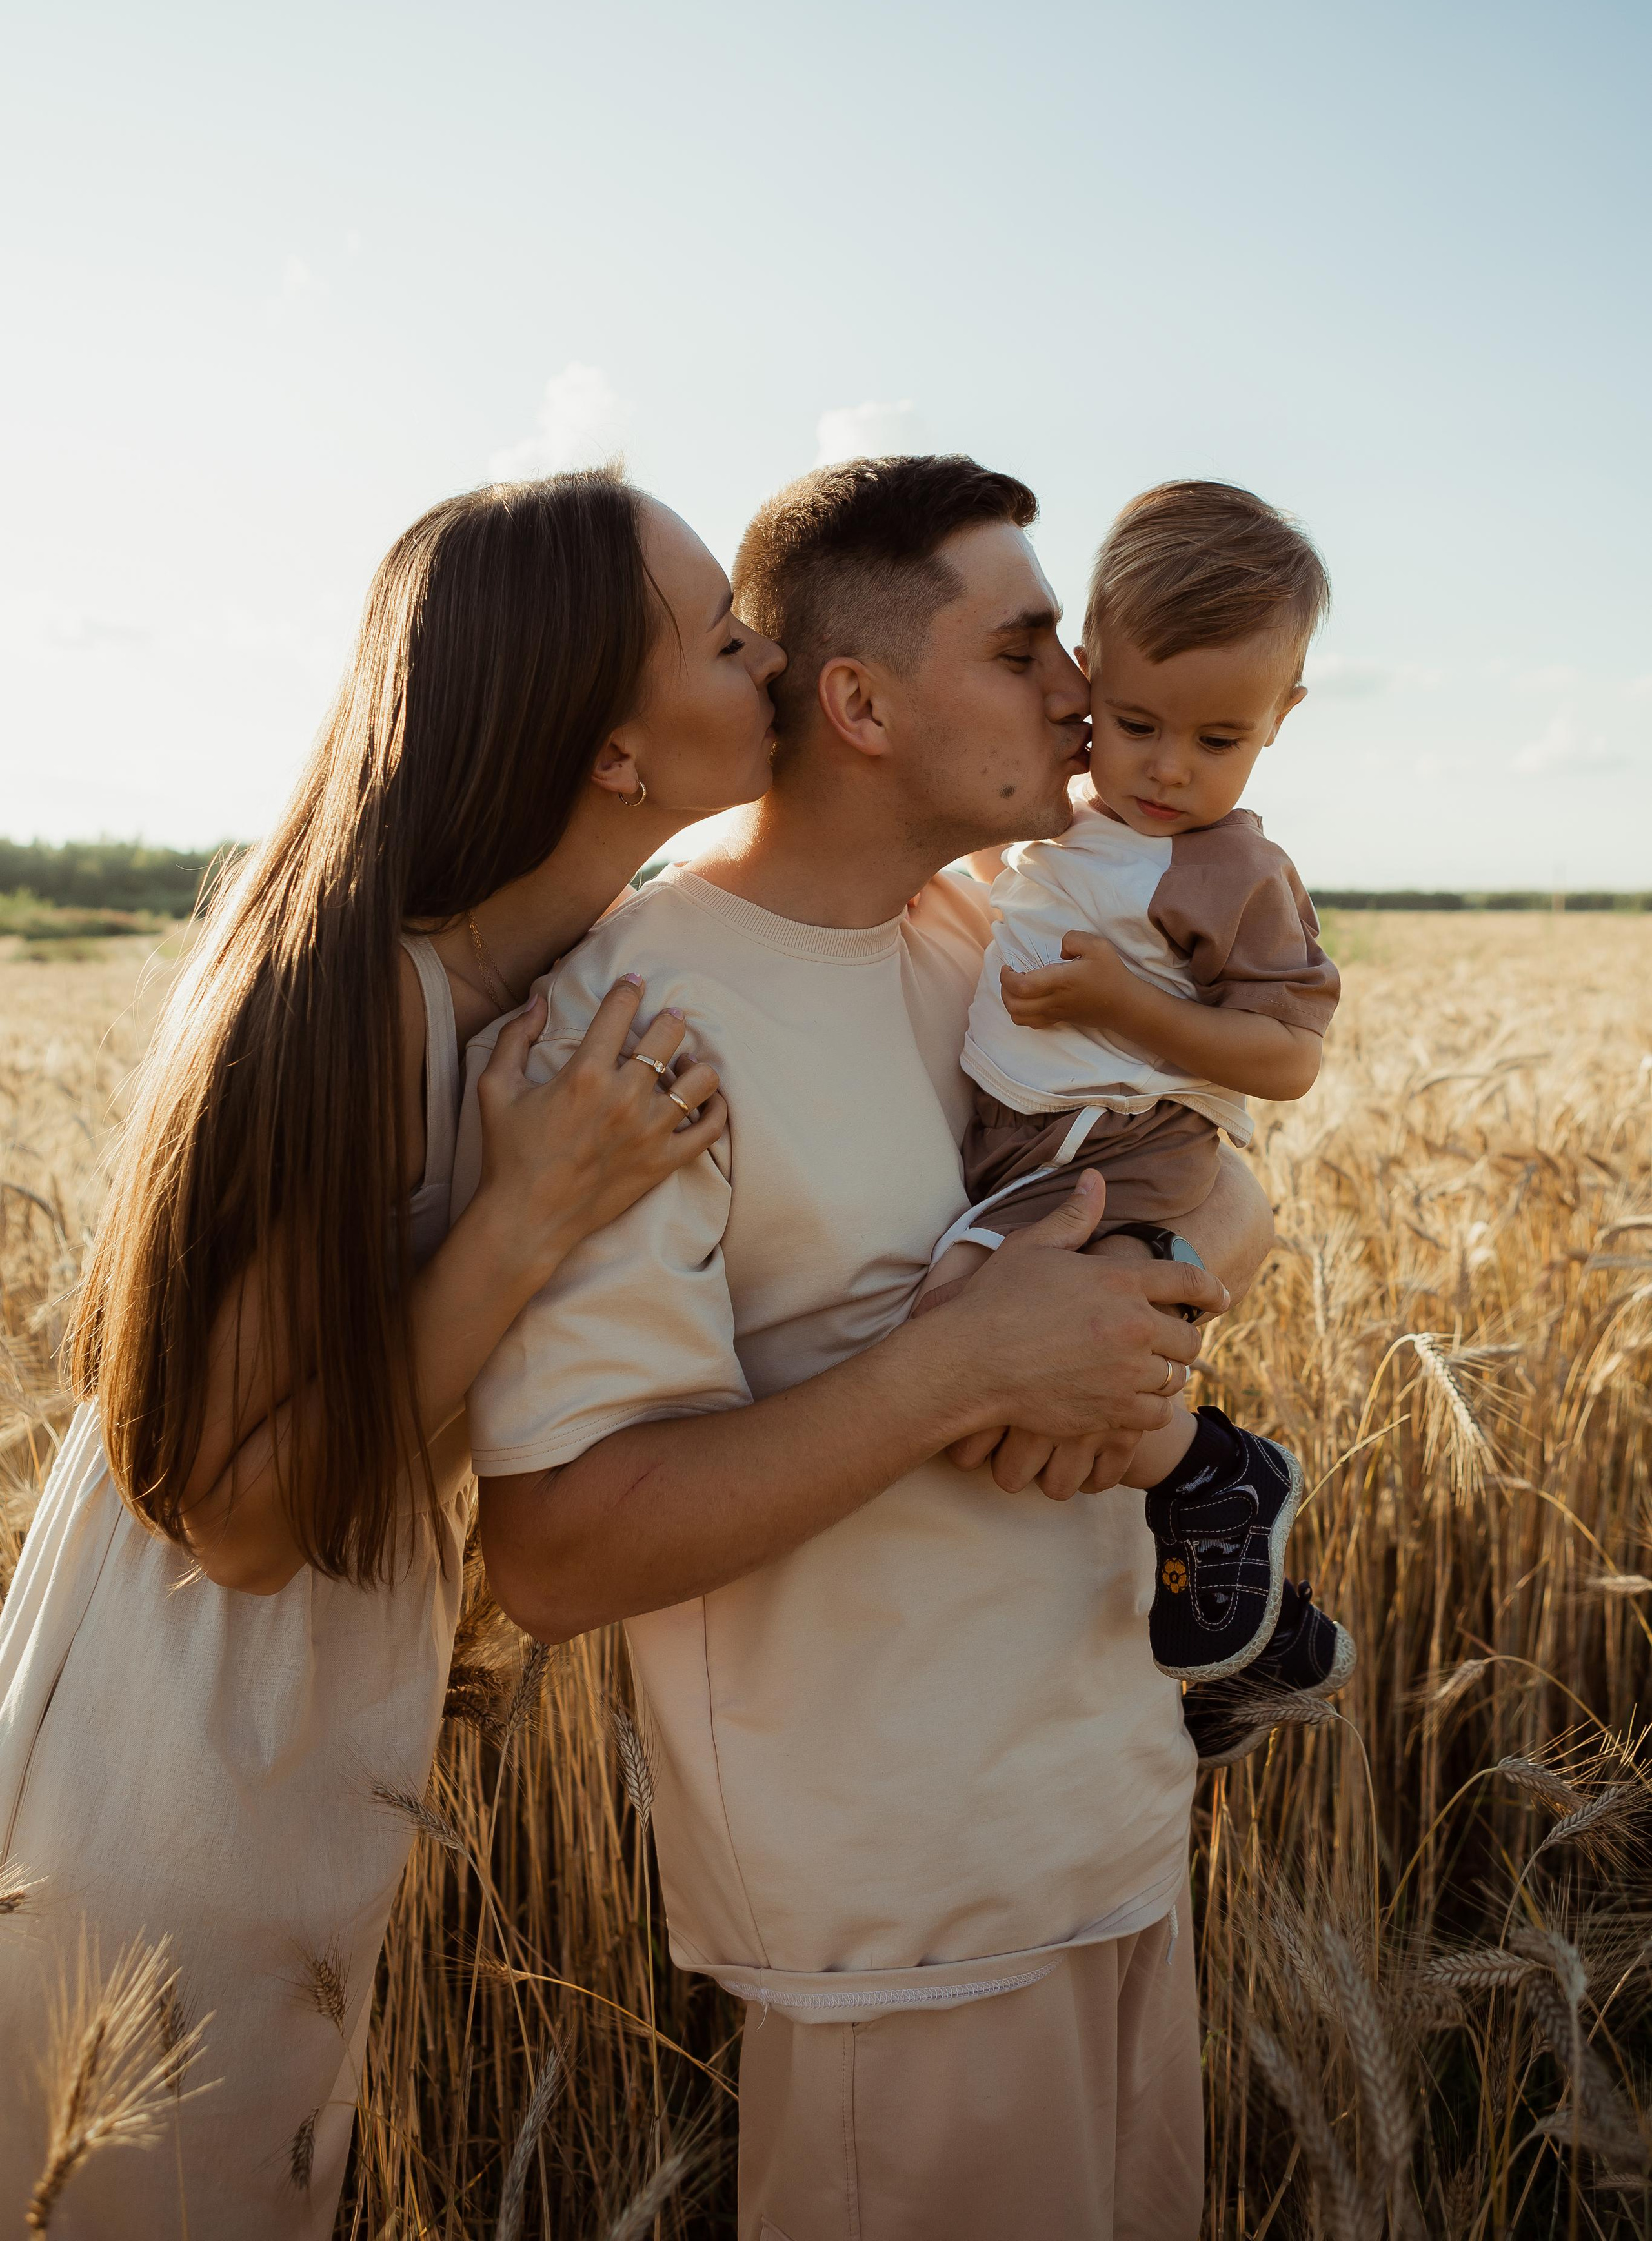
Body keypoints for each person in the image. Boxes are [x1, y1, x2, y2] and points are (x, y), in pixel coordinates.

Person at [463, 455, 1277, 2241]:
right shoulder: (636, 1020)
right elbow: (556, 1547)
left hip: (1122, 1840)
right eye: (1028, 644)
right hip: (900, 1932)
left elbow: (1230, 1186)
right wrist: (969, 1368)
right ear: (858, 702)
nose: (1084, 689)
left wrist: (1146, 1275)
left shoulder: (988, 939)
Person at [0, 471, 782, 2238]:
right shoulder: (358, 997)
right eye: (731, 639)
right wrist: (532, 1212)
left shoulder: (507, 993)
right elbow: (233, 1517)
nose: (776, 664)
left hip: (283, 1768)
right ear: (614, 755)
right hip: (171, 1787)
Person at [919, 478, 1355, 1726]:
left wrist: (1133, 1007)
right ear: (1086, 676)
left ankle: (1218, 1478)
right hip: (1031, 1140)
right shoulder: (1051, 820)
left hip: (1131, 1139)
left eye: (1219, 742)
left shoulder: (1231, 869)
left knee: (985, 1343)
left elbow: (1287, 1059)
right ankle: (1261, 1642)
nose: (1168, 769)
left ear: (1283, 717)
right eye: (1136, 721)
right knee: (1013, 1366)